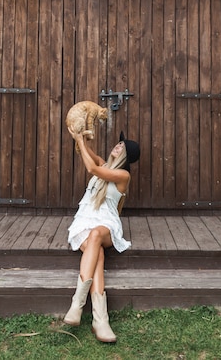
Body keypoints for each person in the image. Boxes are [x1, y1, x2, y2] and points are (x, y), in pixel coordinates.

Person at [63, 129, 140, 343]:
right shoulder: (105, 164)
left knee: (96, 235)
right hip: (84, 221)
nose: (117, 146)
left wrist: (80, 140)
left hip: (106, 224)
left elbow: (91, 167)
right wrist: (81, 137)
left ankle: (76, 305)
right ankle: (100, 321)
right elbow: (85, 152)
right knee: (97, 255)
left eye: (122, 147)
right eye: (118, 144)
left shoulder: (123, 175)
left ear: (126, 156)